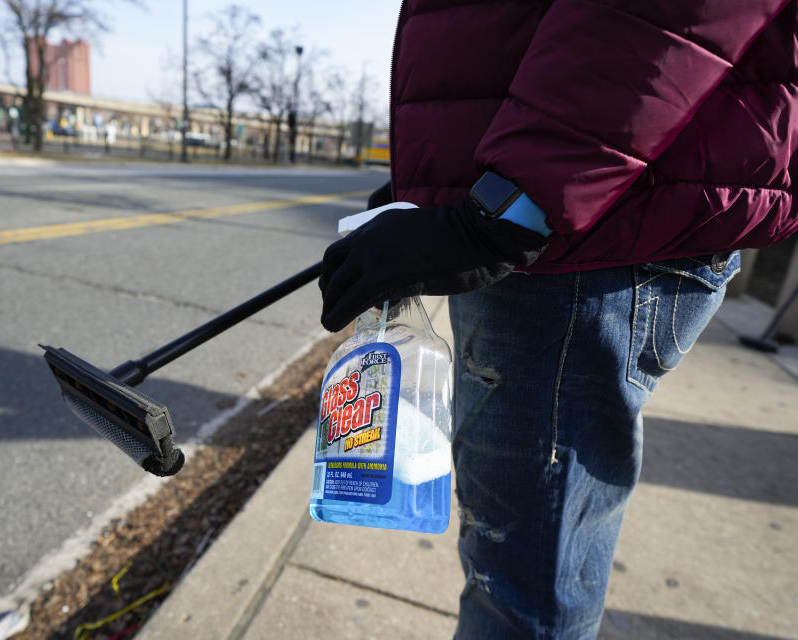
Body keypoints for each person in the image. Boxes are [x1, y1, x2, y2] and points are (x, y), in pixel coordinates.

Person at [318, 1, 798, 638]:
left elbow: (662, 19)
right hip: (565, 217)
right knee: (513, 568)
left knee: (520, 593)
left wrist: (514, 202)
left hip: (579, 238)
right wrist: (437, 187)